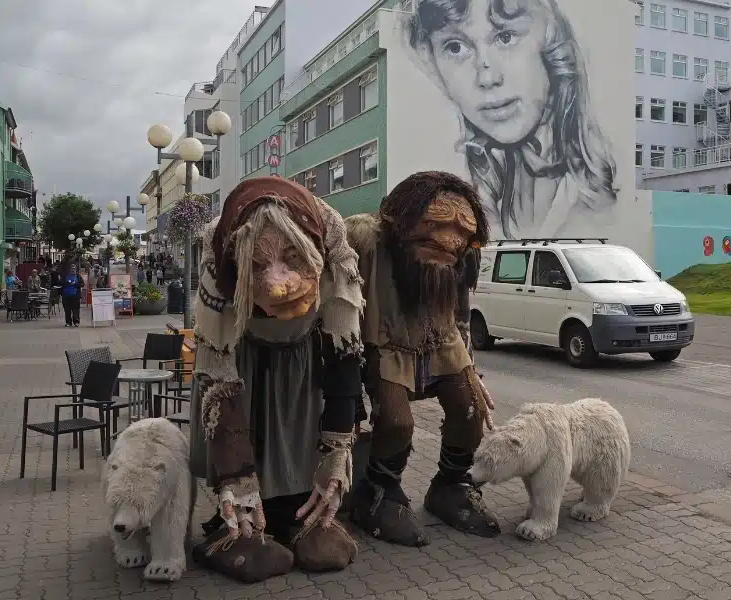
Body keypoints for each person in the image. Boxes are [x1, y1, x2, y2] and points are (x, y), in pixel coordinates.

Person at [188, 177, 365, 583]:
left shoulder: (332, 234)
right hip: (242, 353)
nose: (277, 284)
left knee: (296, 432)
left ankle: (296, 512)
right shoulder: (218, 247)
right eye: (258, 266)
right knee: (246, 430)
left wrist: (338, 451)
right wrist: (234, 473)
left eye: (292, 260)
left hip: (302, 358)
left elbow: (345, 349)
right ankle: (237, 519)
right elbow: (219, 373)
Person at [344, 171, 498, 547]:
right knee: (396, 421)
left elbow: (459, 312)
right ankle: (379, 492)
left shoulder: (462, 259)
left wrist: (470, 368)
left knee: (471, 408)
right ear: (402, 221)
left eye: (463, 231)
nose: (451, 240)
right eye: (435, 224)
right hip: (385, 339)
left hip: (442, 339)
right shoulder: (366, 242)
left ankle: (452, 484)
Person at [405, 0, 617, 240]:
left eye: (505, 37)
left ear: (551, 44)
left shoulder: (589, 199)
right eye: (455, 47)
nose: (487, 77)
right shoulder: (479, 181)